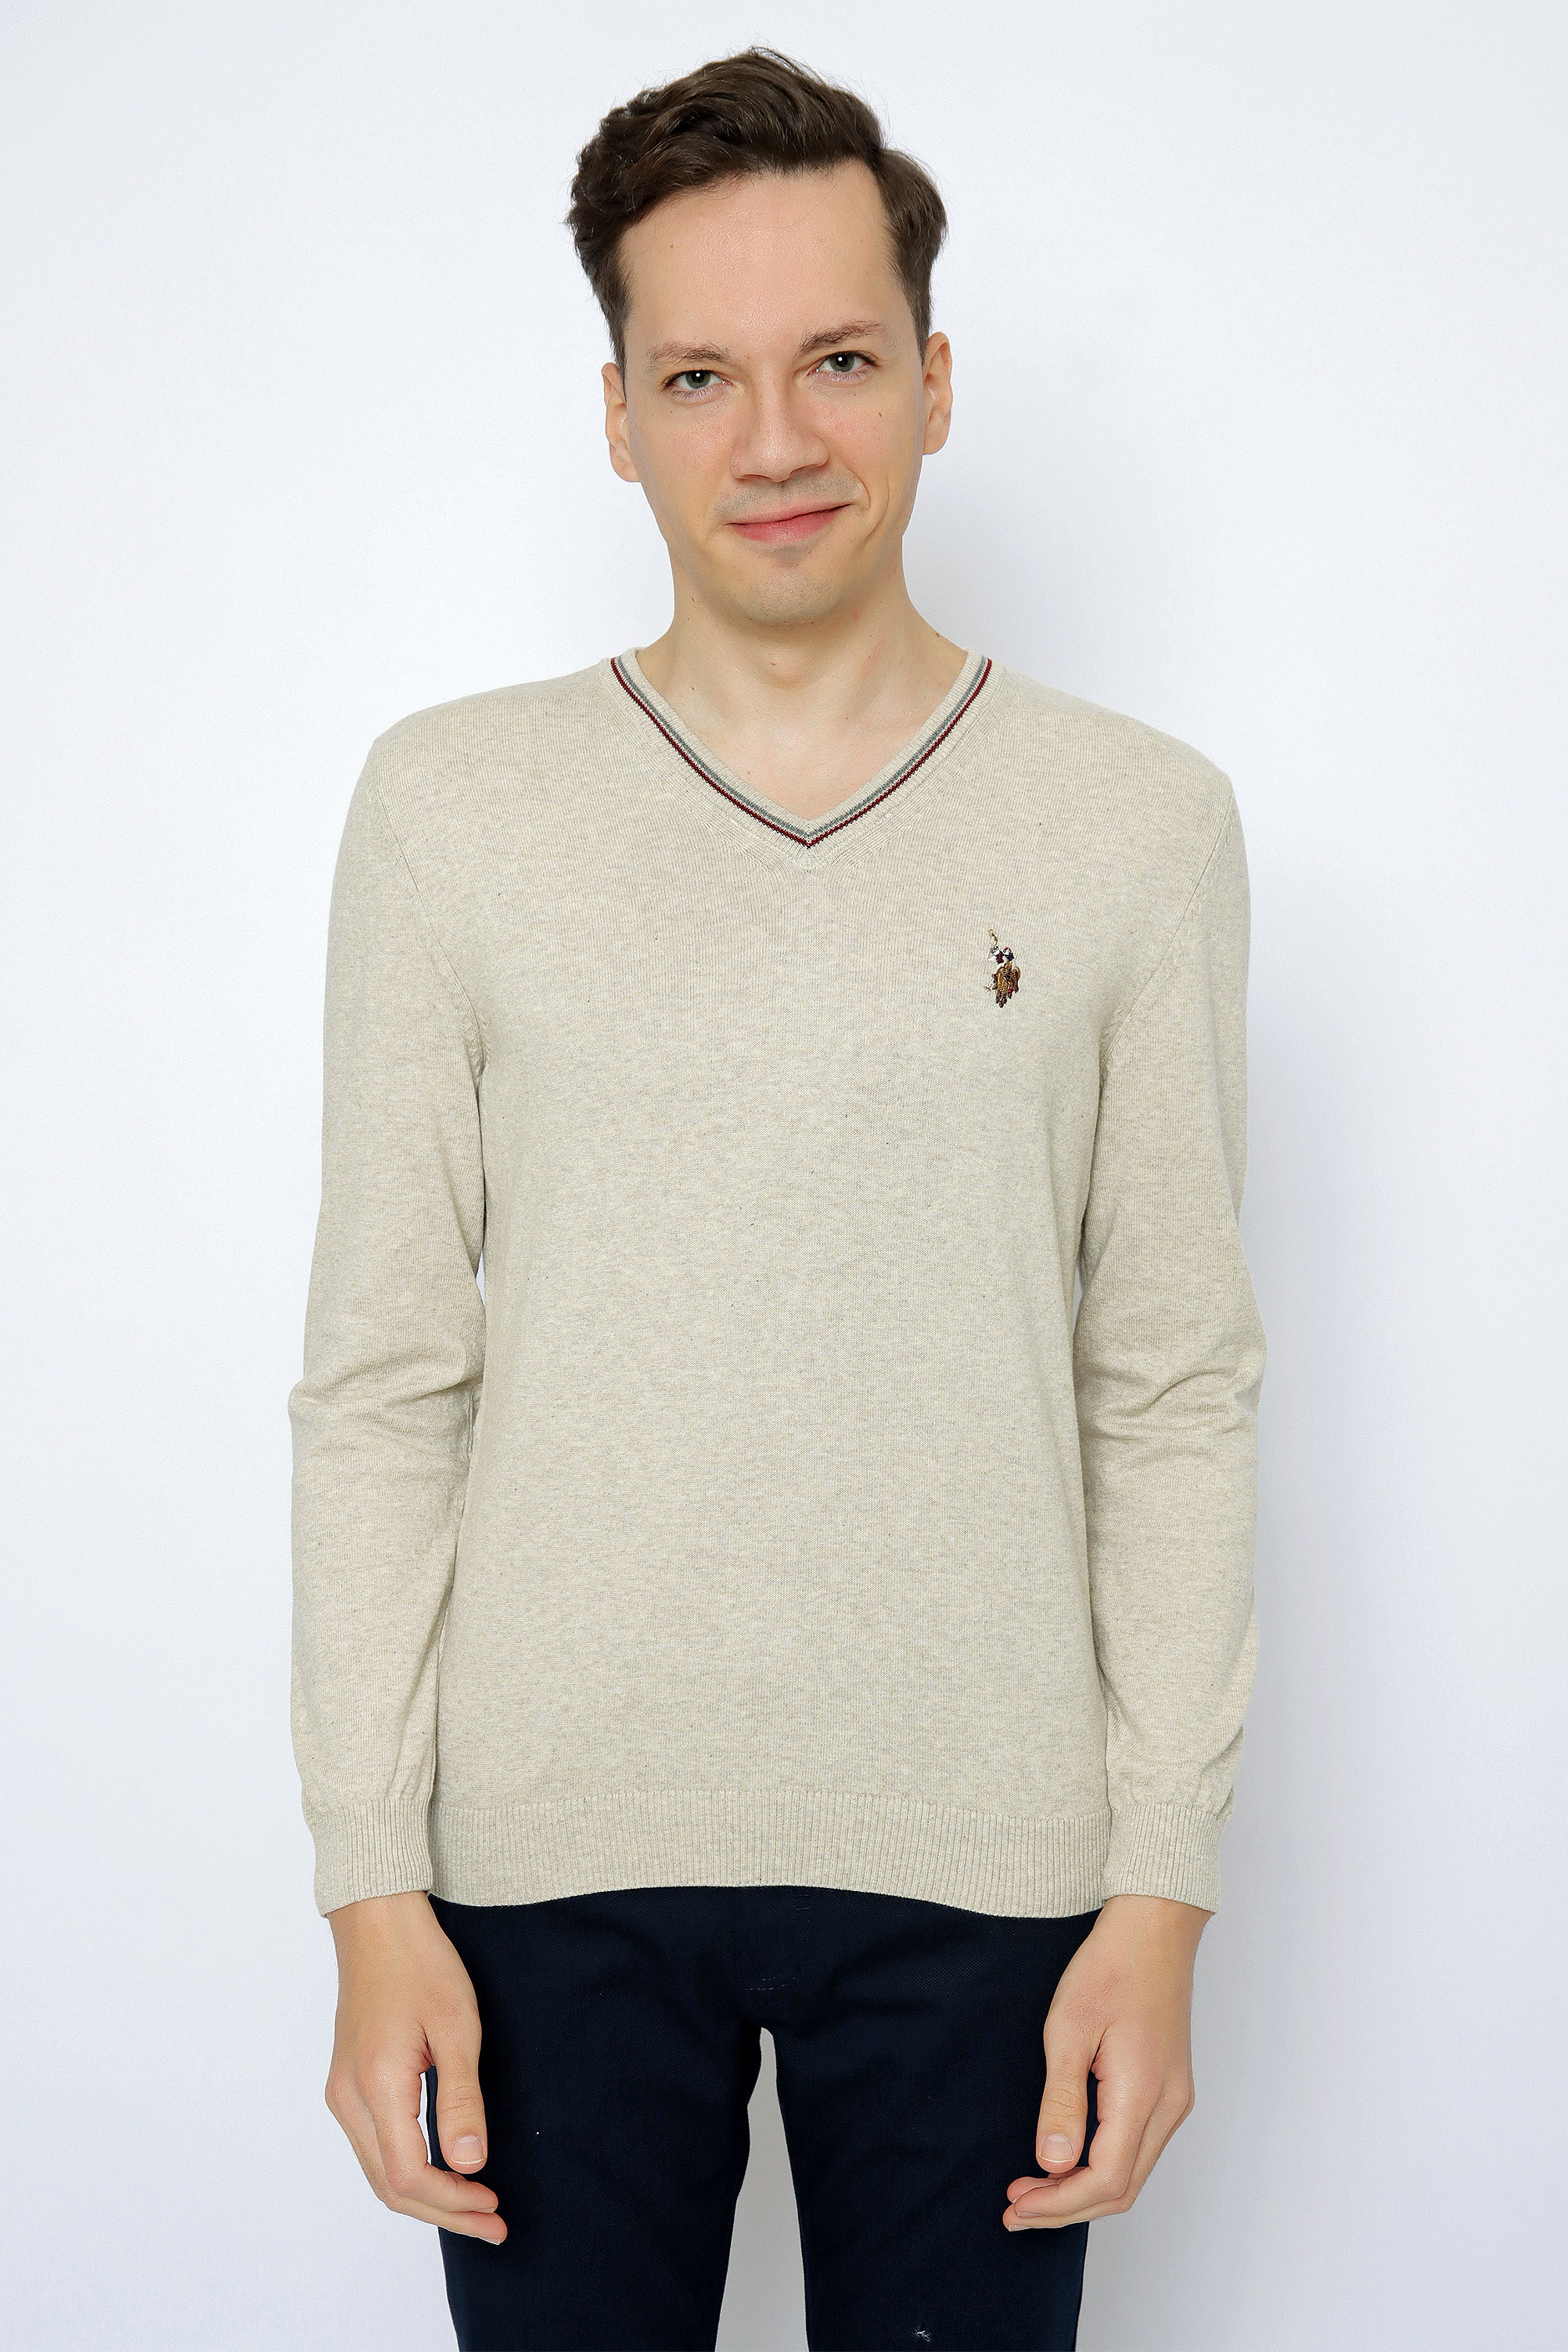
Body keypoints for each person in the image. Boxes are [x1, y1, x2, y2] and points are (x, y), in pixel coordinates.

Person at [289, 46, 1267, 2352]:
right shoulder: (449, 811)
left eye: (836, 360)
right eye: (699, 376)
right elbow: (383, 1381)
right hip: (542, 1875)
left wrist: (1158, 1893)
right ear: (617, 416)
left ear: (933, 380)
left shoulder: (1140, 825)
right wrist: (370, 1890)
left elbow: (1172, 1383)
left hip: (989, 1872)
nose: (775, 440)